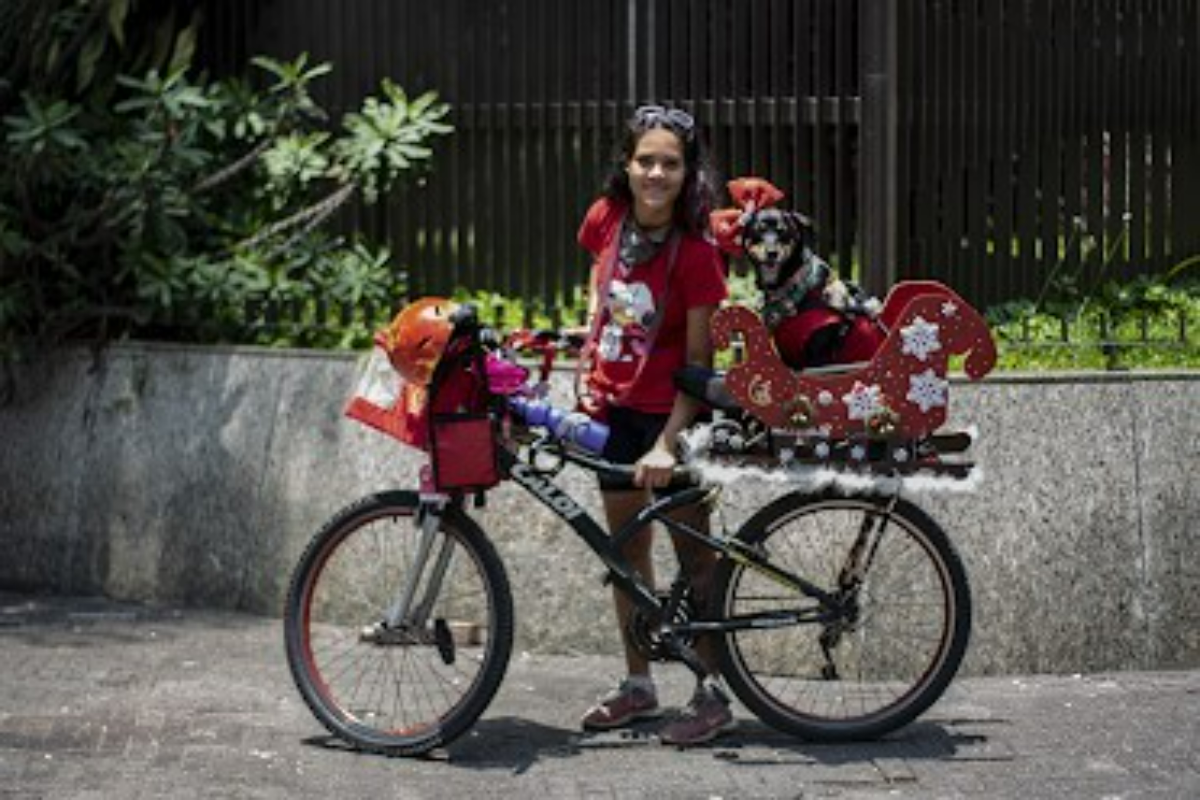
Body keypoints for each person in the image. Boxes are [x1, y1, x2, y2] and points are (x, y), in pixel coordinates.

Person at [574, 104, 732, 746]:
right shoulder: (604, 219)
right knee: (625, 554)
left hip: (674, 415)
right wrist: (588, 364)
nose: (657, 173)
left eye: (671, 163)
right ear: (628, 164)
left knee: (695, 559)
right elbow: (599, 291)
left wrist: (669, 443)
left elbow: (699, 366)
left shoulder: (697, 255)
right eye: (647, 161)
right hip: (615, 411)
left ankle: (713, 693)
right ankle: (639, 687)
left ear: (688, 172)